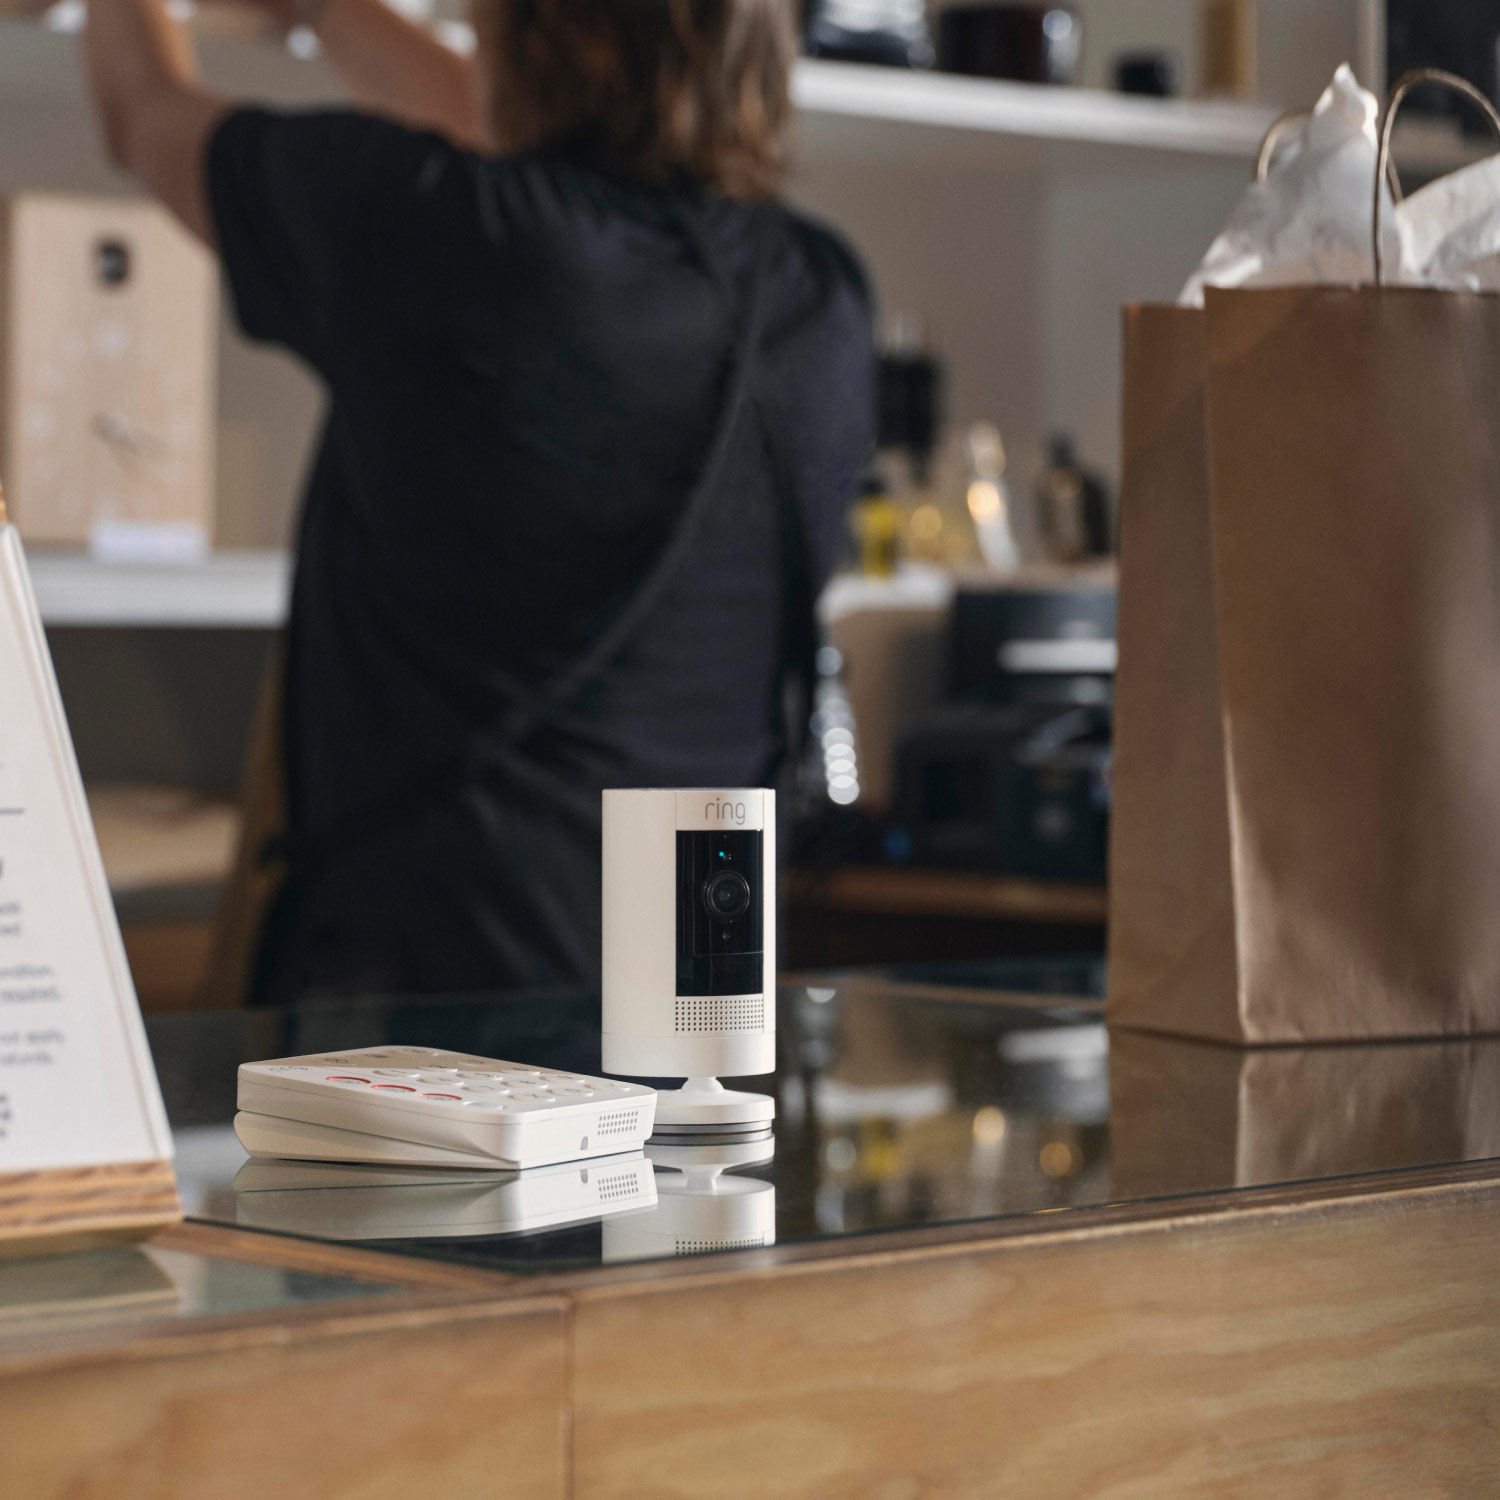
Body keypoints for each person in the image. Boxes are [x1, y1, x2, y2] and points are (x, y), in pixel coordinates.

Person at [82, 0, 874, 1001]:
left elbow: (141, 112)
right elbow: (493, 132)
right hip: (694, 1000)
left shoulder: (452, 237)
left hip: (444, 1015)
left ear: (558, 36)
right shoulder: (819, 293)